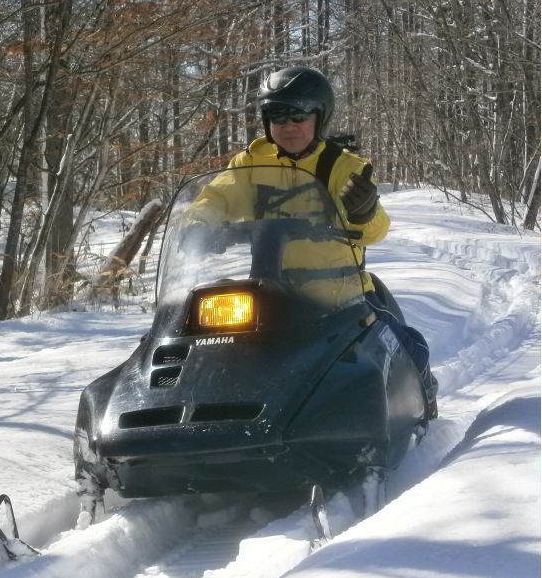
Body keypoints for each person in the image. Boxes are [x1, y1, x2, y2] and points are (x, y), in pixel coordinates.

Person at [186, 65, 437, 417]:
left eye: (299, 115)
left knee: (397, 342)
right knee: (198, 339)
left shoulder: (343, 166)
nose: (288, 125)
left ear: (319, 118)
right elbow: (219, 196)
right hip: (268, 297)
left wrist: (365, 212)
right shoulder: (250, 162)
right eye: (278, 115)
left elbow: (376, 230)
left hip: (338, 299)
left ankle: (421, 389)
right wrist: (199, 222)